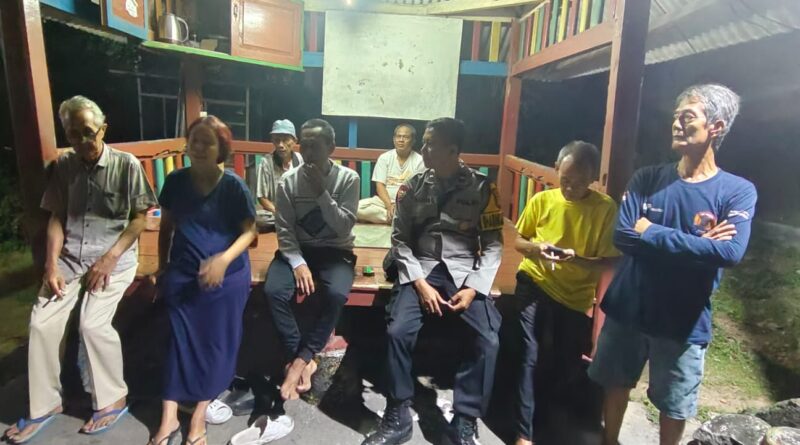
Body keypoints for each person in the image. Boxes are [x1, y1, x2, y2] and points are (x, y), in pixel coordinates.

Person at [588, 84, 758, 445]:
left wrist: (650, 231)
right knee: (615, 383)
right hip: (629, 307)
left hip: (684, 320)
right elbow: (623, 237)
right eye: (676, 117)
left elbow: (730, 253)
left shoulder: (736, 191)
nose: (677, 124)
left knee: (674, 405)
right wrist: (699, 246)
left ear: (716, 127)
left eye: (688, 117)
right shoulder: (647, 178)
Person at [3, 96, 157, 444]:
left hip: (114, 257)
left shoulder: (126, 164)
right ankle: (45, 403)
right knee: (41, 322)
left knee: (91, 323)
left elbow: (140, 218)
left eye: (88, 131)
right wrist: (51, 265)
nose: (83, 140)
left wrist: (110, 258)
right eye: (74, 134)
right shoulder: (65, 165)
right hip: (71, 258)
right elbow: (57, 218)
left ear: (103, 129)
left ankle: (113, 397)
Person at [363, 118, 503, 445]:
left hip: (463, 271)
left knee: (488, 339)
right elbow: (399, 240)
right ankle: (398, 413)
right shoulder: (413, 187)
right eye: (423, 143)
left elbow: (494, 244)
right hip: (421, 267)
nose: (422, 149)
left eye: (430, 144)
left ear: (453, 150)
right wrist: (419, 283)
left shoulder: (483, 189)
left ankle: (465, 418)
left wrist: (474, 288)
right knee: (398, 330)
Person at [148, 116, 257, 445]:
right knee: (178, 341)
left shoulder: (233, 186)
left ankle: (198, 416)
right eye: (194, 140)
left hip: (227, 276)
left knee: (215, 344)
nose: (198, 147)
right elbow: (167, 227)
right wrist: (162, 266)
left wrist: (222, 260)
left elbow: (249, 232)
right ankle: (168, 417)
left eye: (207, 142)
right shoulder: (176, 181)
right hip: (184, 272)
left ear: (220, 148)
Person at [512, 141, 619, 445]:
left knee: (565, 361)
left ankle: (548, 418)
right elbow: (519, 242)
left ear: (593, 178)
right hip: (535, 280)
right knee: (529, 354)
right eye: (566, 180)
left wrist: (576, 259)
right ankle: (523, 433)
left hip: (575, 295)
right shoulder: (543, 200)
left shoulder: (605, 209)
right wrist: (537, 249)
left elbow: (609, 261)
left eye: (580, 182)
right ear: (556, 169)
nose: (570, 187)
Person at [264, 118, 360, 401]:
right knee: (273, 291)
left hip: (336, 249)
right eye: (303, 146)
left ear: (331, 147)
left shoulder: (348, 179)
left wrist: (321, 192)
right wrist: (298, 263)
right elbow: (284, 229)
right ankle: (303, 358)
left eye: (314, 146)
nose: (307, 152)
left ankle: (298, 362)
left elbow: (343, 227)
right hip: (298, 250)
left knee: (337, 293)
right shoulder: (288, 181)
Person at [357, 124, 425, 224]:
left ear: (413, 141)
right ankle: (396, 219)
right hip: (384, 202)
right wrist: (389, 205)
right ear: (394, 139)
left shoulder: (419, 161)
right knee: (356, 208)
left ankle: (392, 217)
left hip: (408, 203)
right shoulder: (385, 158)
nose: (401, 140)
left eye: (406, 137)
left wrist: (401, 205)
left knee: (425, 211)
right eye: (398, 136)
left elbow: (419, 189)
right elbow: (380, 185)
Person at [255, 119, 303, 232]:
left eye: (285, 140)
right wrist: (278, 212)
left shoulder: (301, 160)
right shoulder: (266, 162)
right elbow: (262, 197)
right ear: (272, 141)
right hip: (275, 212)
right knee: (259, 219)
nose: (281, 145)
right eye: (277, 140)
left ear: (295, 141)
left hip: (297, 212)